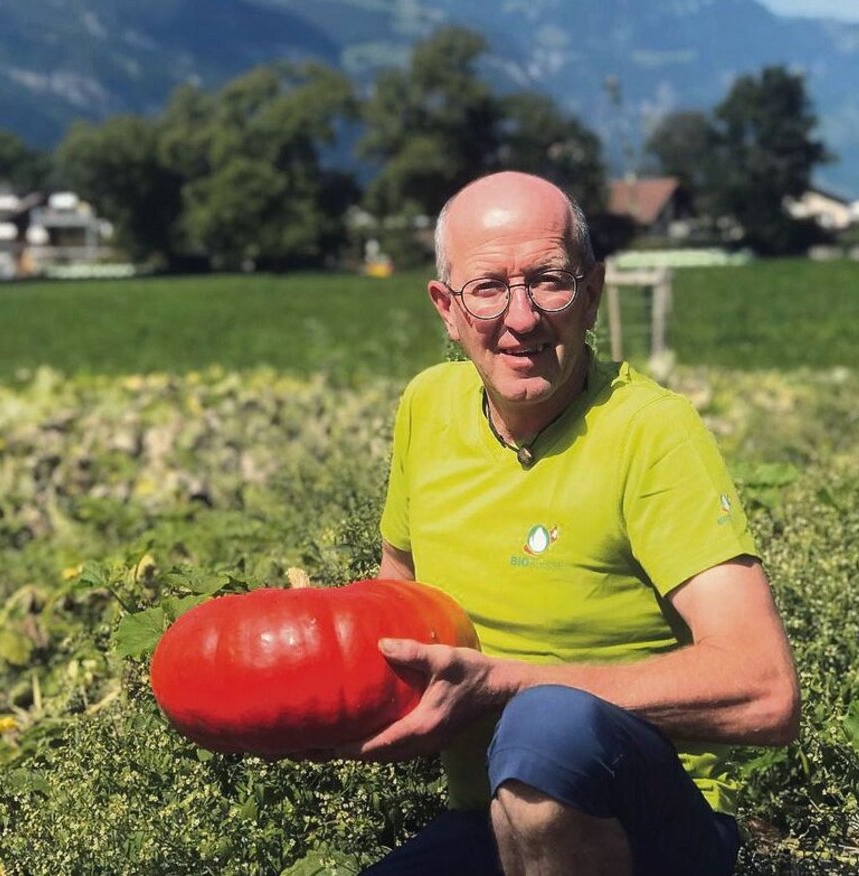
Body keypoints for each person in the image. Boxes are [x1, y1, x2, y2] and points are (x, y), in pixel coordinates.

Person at [340, 172, 800, 875]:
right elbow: (394, 597)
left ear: (592, 295)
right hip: (490, 820)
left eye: (548, 281)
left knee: (546, 723)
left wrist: (509, 685)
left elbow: (765, 689)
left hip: (651, 828)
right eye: (488, 288)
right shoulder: (427, 408)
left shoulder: (651, 432)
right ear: (447, 309)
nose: (521, 317)